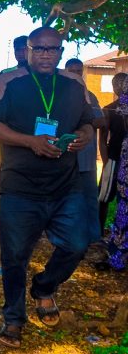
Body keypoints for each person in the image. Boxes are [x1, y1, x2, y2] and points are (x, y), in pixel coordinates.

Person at [0, 27, 94, 348]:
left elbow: (87, 120)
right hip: (20, 186)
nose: (46, 54)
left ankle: (44, 288)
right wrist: (30, 142)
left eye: (53, 49)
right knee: (14, 257)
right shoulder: (9, 80)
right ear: (28, 50)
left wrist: (85, 135)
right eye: (39, 48)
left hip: (65, 185)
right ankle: (13, 319)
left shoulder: (74, 84)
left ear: (61, 52)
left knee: (78, 243)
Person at [65, 58, 106, 244]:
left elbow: (101, 121)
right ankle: (66, 237)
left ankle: (93, 237)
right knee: (64, 199)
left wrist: (84, 125)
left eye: (78, 70)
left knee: (89, 198)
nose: (75, 73)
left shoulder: (90, 96)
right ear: (65, 71)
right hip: (62, 156)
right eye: (71, 70)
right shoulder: (57, 94)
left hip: (86, 158)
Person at [102, 73, 128, 270]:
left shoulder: (114, 108)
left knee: (116, 204)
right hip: (117, 159)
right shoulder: (112, 109)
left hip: (118, 159)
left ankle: (117, 256)